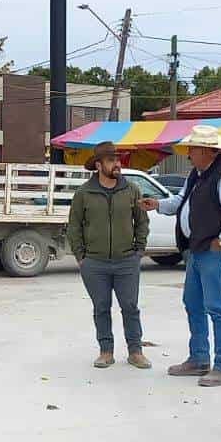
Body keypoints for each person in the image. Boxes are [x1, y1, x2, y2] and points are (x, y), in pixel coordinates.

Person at [139, 125, 221, 387]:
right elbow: (181, 202)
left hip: (214, 251)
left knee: (216, 307)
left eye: (192, 149)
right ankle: (199, 359)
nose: (188, 154)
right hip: (198, 249)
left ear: (207, 151)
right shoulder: (199, 173)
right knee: (193, 303)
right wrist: (157, 205)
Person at [67, 141, 152, 369]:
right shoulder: (84, 193)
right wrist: (81, 257)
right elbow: (73, 226)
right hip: (94, 263)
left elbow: (142, 222)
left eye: (118, 159)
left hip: (127, 261)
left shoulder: (132, 190)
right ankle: (106, 351)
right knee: (101, 307)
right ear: (98, 165)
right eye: (111, 160)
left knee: (130, 306)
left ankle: (135, 351)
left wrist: (139, 251)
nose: (117, 164)